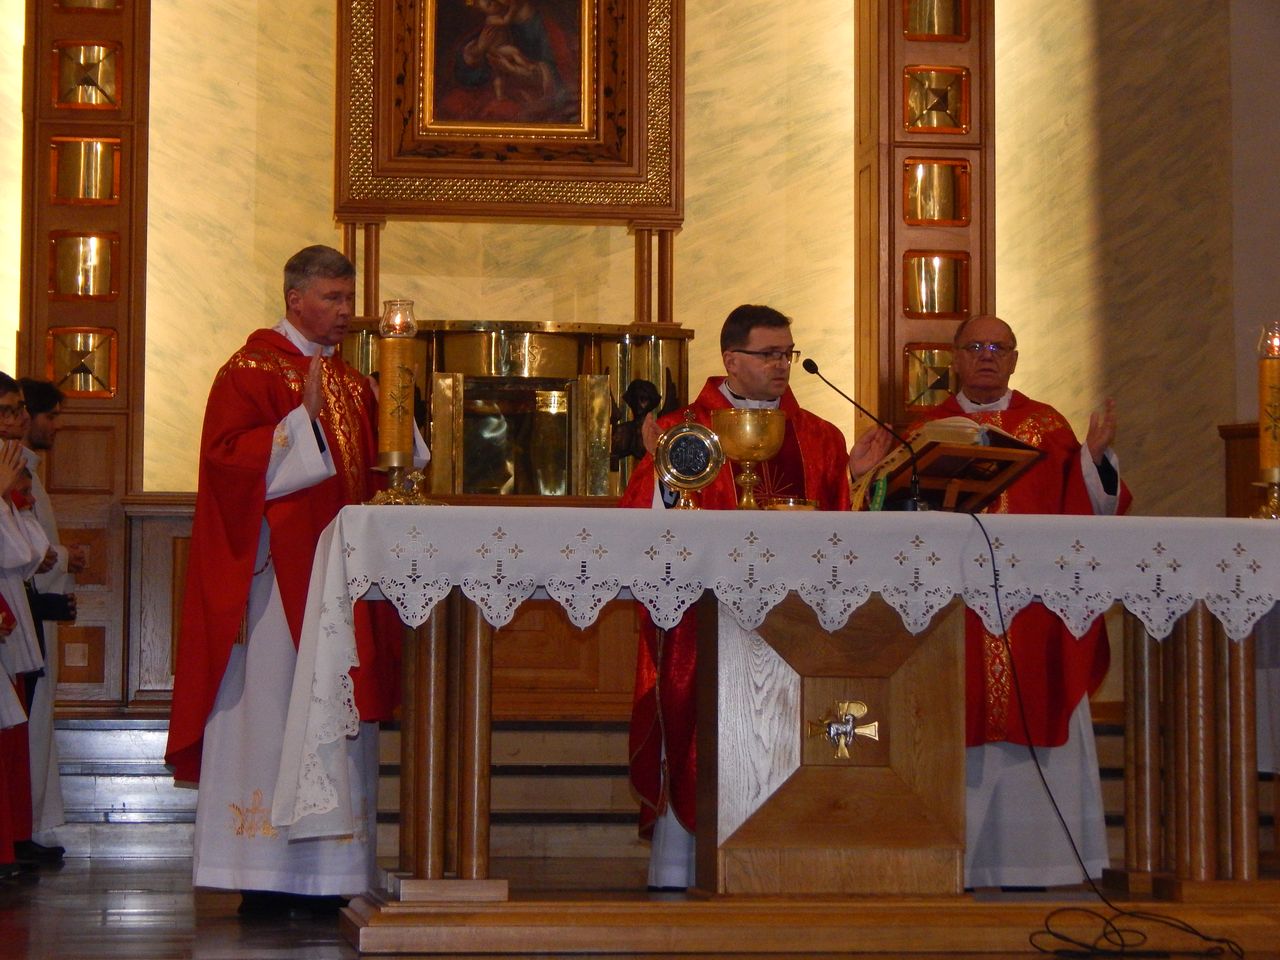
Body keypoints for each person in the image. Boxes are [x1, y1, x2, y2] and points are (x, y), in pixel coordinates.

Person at [164, 245, 426, 916]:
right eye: (333, 298)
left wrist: (398, 415)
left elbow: (385, 469)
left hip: (339, 582)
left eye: (349, 298)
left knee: (334, 715)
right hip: (275, 584)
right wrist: (296, 424)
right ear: (295, 300)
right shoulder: (248, 370)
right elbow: (225, 460)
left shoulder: (351, 381)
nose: (346, 311)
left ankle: (328, 873)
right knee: (274, 714)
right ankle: (262, 872)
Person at [852, 313, 1131, 889]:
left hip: (1033, 615)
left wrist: (1094, 460)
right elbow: (885, 522)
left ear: (1014, 359)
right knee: (950, 718)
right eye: (975, 346)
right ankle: (953, 865)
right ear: (953, 358)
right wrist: (869, 477)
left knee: (1036, 710)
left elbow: (1086, 511)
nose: (987, 356)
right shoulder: (924, 430)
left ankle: (1040, 863)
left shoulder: (1047, 426)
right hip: (953, 614)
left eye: (999, 348)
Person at [619, 304, 853, 890]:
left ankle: (786, 864)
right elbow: (639, 527)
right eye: (769, 354)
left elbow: (843, 535)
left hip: (795, 628)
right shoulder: (681, 430)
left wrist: (868, 477)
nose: (782, 365)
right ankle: (682, 869)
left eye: (787, 354)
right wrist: (663, 473)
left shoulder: (820, 437)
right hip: (703, 625)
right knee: (698, 731)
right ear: (731, 359)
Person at [19, 378, 85, 857]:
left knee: (38, 721)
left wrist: (58, 558)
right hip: (22, 609)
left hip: (34, 609)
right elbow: (28, 550)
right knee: (27, 722)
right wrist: (64, 557)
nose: (54, 426)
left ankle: (30, 825)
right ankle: (21, 829)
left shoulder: (28, 470)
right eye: (50, 416)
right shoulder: (15, 470)